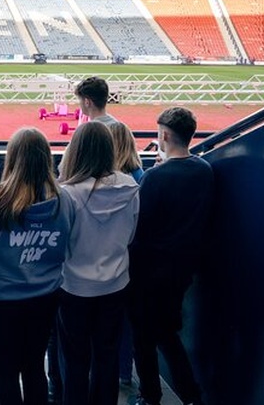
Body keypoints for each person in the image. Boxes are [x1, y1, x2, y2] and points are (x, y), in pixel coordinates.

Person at [0, 128, 75, 405]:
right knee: (34, 369)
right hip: (46, 297)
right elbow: (66, 249)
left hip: (0, 300)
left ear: (12, 158)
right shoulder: (64, 201)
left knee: (6, 375)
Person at [128, 107, 214, 405]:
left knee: (143, 339)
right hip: (182, 270)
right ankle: (191, 395)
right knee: (167, 334)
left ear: (163, 135)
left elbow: (137, 224)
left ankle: (150, 396)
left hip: (147, 272)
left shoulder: (154, 177)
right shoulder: (204, 170)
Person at [57, 122, 139, 405]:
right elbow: (130, 235)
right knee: (107, 358)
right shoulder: (131, 186)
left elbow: (61, 241)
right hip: (115, 285)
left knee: (75, 361)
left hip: (74, 288)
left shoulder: (66, 194)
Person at [108, 121, 144, 387]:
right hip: (131, 261)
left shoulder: (103, 181)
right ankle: (122, 371)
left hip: (111, 261)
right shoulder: (141, 177)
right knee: (126, 321)